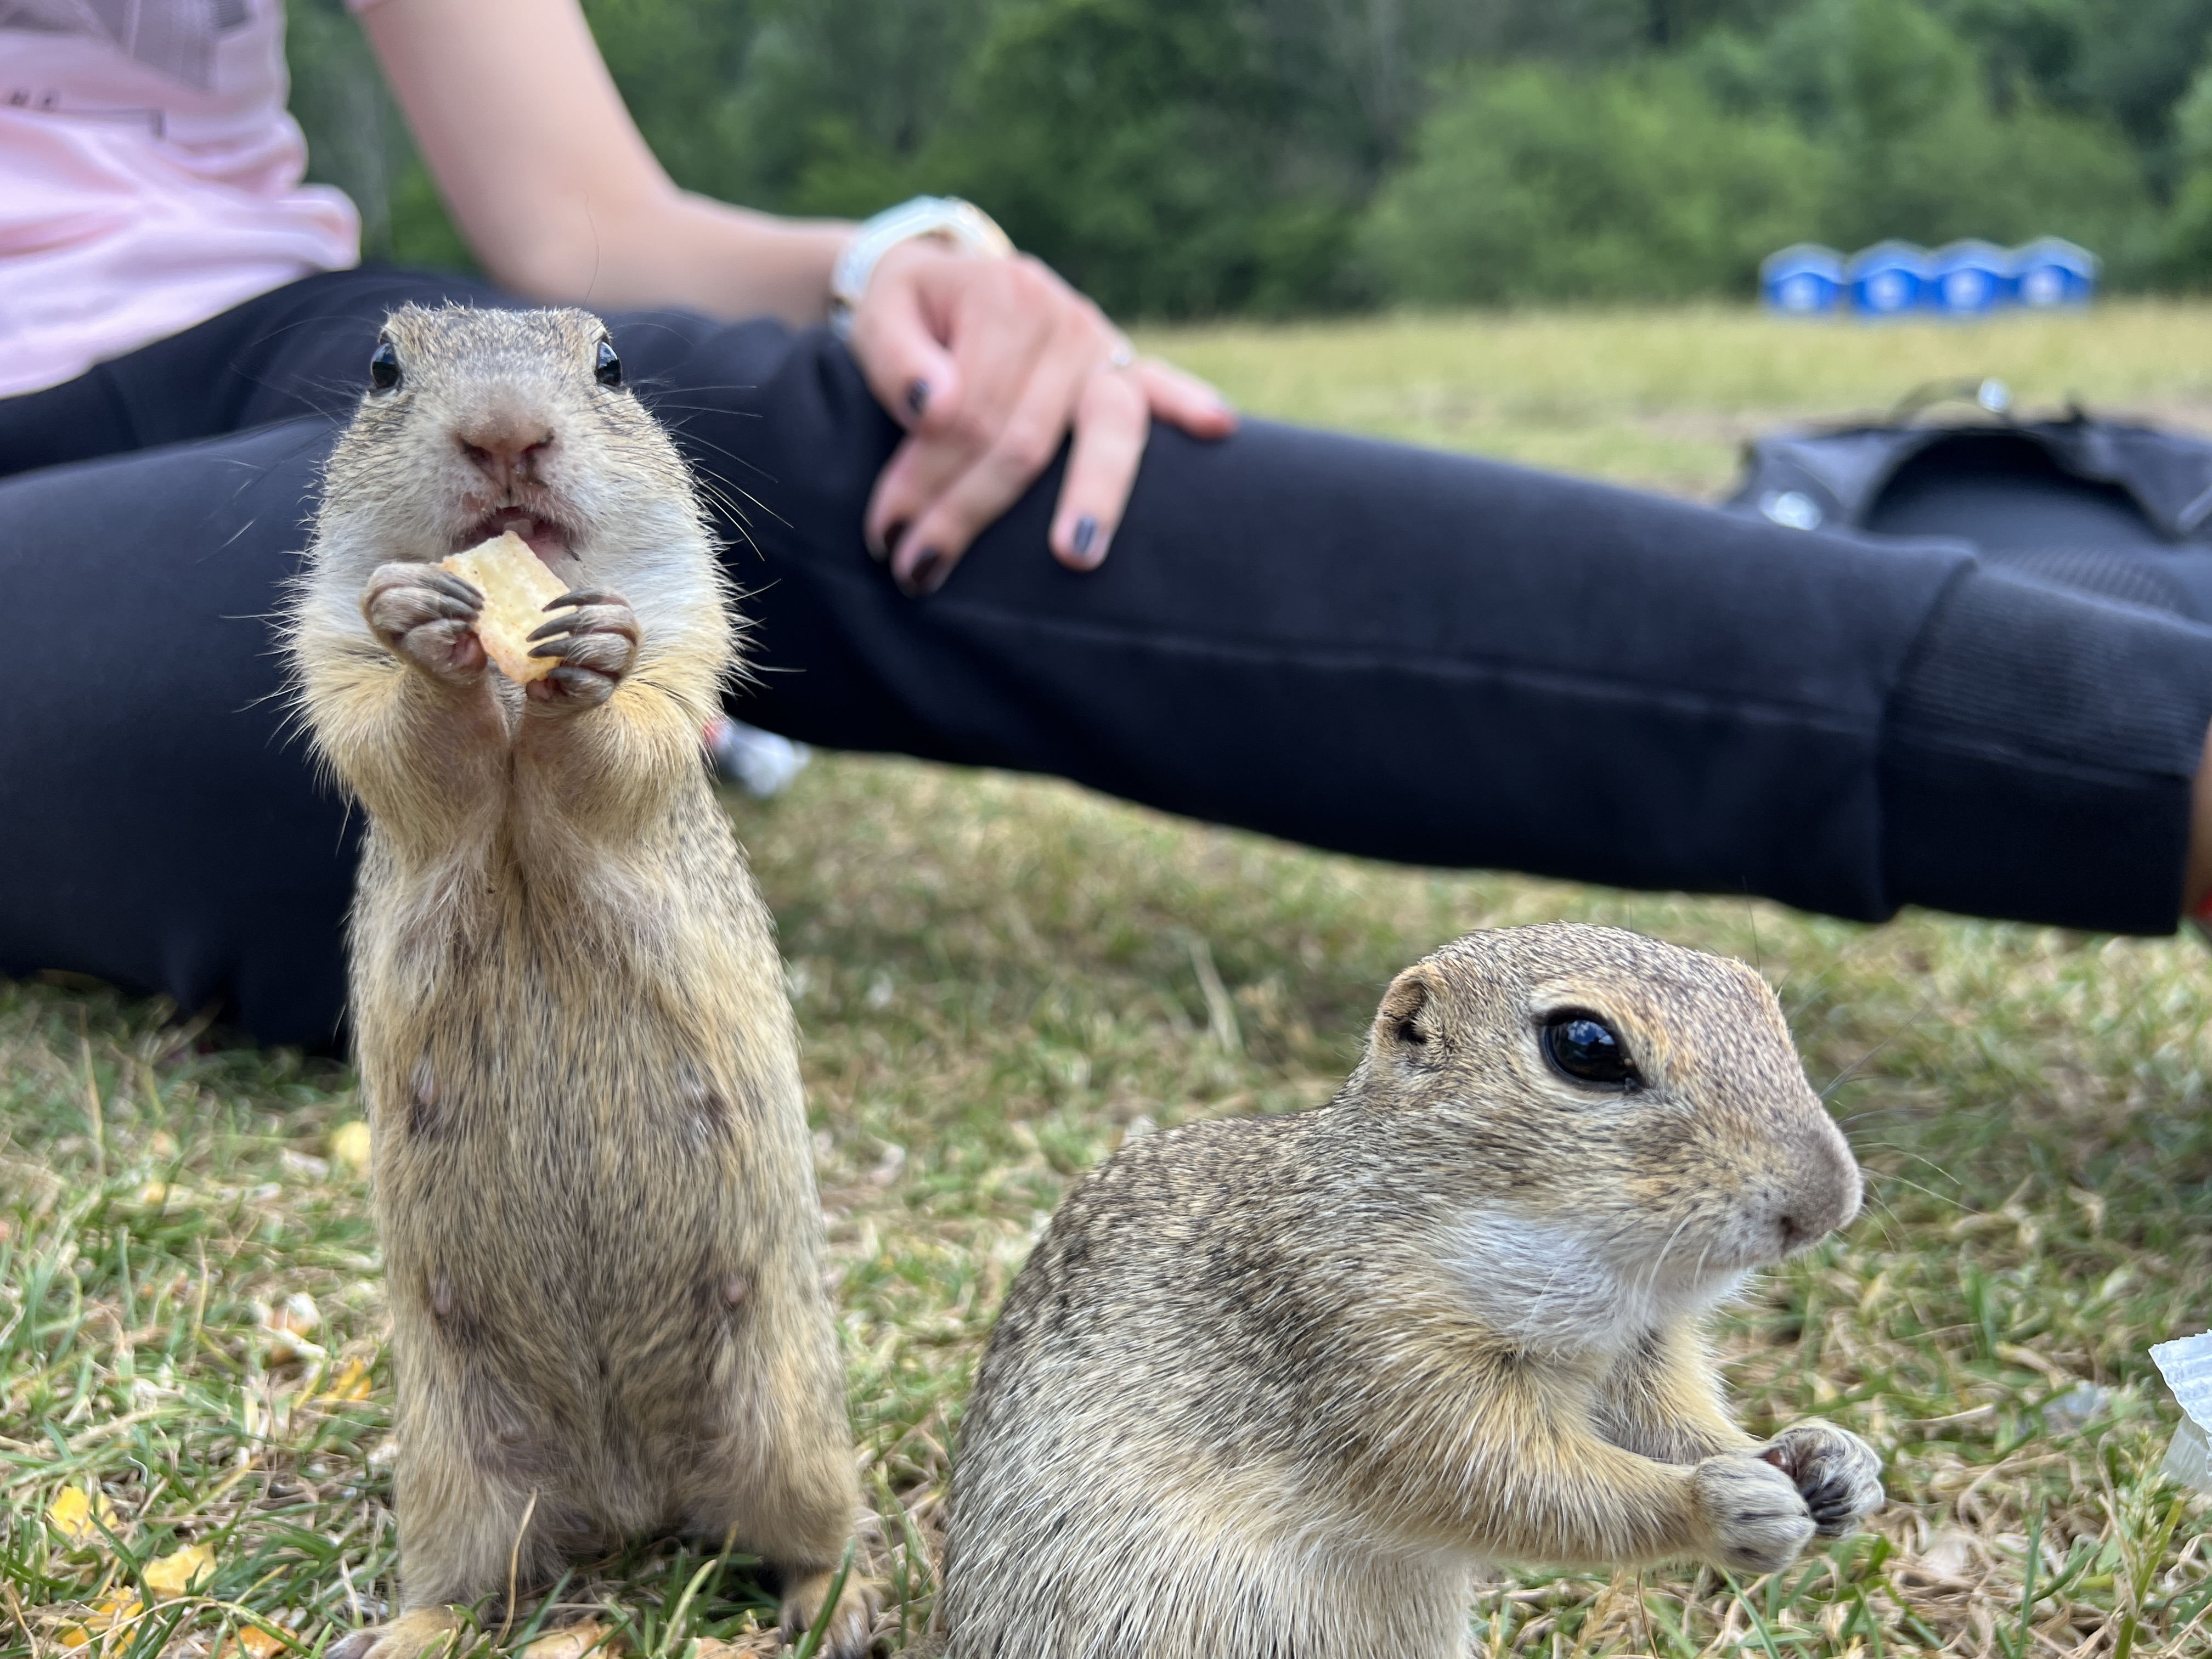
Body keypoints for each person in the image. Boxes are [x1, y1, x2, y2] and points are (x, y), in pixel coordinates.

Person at [4, 0, 2211, 1048]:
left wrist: (905, 268)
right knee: (301, 710)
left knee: (869, 432)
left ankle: (2152, 775)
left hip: (299, 347)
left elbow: (596, 224)